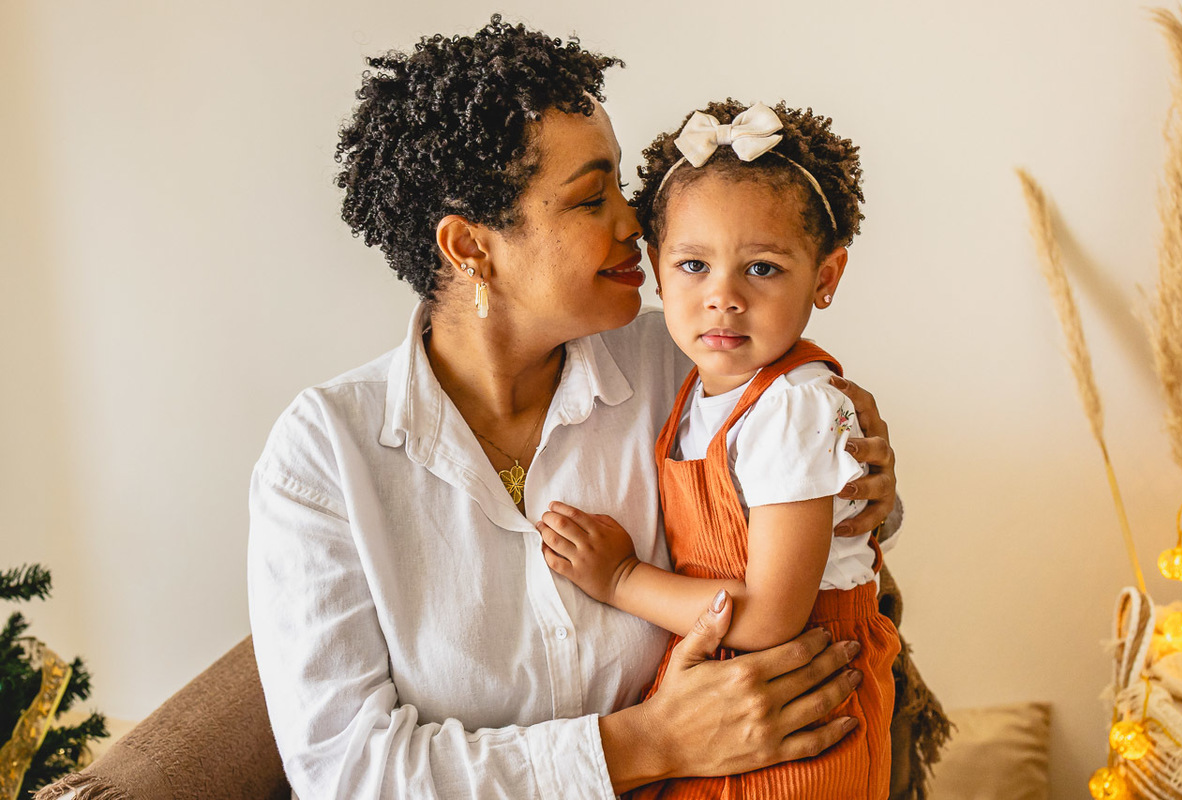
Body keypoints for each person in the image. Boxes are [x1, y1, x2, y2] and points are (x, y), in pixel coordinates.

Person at [247, 17, 900, 798]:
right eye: (592, 198)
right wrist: (647, 743)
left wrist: (870, 484)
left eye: (621, 185)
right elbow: (347, 773)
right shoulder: (326, 456)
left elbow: (821, 528)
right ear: (470, 248)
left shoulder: (691, 361)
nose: (636, 222)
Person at [538, 100, 900, 799]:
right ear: (656, 267)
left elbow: (769, 617)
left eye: (761, 268)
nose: (723, 297)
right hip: (723, 692)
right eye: (694, 264)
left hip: (807, 703)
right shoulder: (695, 386)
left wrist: (621, 579)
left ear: (826, 277)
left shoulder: (793, 406)